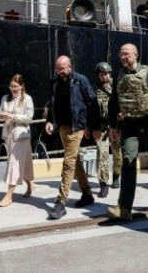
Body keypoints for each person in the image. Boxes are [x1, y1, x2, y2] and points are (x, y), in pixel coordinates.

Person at [104, 44, 148, 221]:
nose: (123, 57)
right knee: (128, 161)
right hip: (129, 125)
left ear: (136, 55)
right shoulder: (119, 75)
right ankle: (125, 207)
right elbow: (113, 102)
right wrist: (113, 125)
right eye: (121, 55)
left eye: (126, 54)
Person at [45, 55, 96, 220]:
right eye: (58, 68)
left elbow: (92, 103)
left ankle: (61, 202)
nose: (60, 70)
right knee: (75, 161)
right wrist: (50, 121)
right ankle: (87, 194)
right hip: (62, 127)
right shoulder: (55, 84)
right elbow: (52, 104)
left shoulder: (80, 80)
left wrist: (91, 125)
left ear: (70, 66)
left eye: (63, 67)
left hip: (76, 127)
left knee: (68, 162)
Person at [0, 74, 36, 207]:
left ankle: (9, 195)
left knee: (14, 163)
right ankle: (31, 184)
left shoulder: (27, 99)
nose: (13, 89)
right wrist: (1, 116)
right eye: (11, 86)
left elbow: (29, 118)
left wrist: (12, 116)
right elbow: (0, 116)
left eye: (15, 86)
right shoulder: (5, 98)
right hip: (8, 135)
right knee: (25, 163)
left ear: (22, 86)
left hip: (21, 136)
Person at [91, 62, 122, 196]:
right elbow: (90, 109)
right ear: (98, 75)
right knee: (102, 154)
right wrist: (91, 127)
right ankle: (103, 184)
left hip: (116, 126)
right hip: (102, 127)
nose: (106, 77)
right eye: (103, 74)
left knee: (117, 153)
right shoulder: (93, 90)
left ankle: (116, 175)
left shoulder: (117, 87)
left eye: (108, 74)